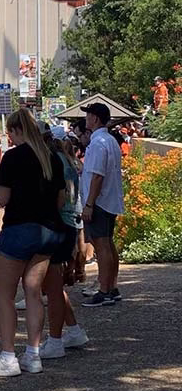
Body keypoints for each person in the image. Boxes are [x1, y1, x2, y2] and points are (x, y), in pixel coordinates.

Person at [0, 107, 65, 379]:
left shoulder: (12, 158)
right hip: (48, 230)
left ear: (16, 130)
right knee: (34, 292)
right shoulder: (53, 158)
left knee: (5, 295)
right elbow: (61, 200)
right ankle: (33, 354)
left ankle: (7, 356)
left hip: (18, 229)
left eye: (10, 133)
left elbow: (2, 199)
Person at [39, 131, 90, 359]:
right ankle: (72, 329)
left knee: (52, 286)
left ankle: (56, 340)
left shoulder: (54, 161)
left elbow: (58, 198)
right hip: (68, 222)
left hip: (59, 223)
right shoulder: (66, 159)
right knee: (54, 285)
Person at [80, 101, 124, 307]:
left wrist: (89, 204)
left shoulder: (98, 143)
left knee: (102, 245)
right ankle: (111, 287)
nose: (86, 118)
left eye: (88, 115)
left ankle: (105, 290)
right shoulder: (110, 141)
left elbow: (97, 176)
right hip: (108, 199)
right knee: (108, 244)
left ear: (95, 118)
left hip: (99, 201)